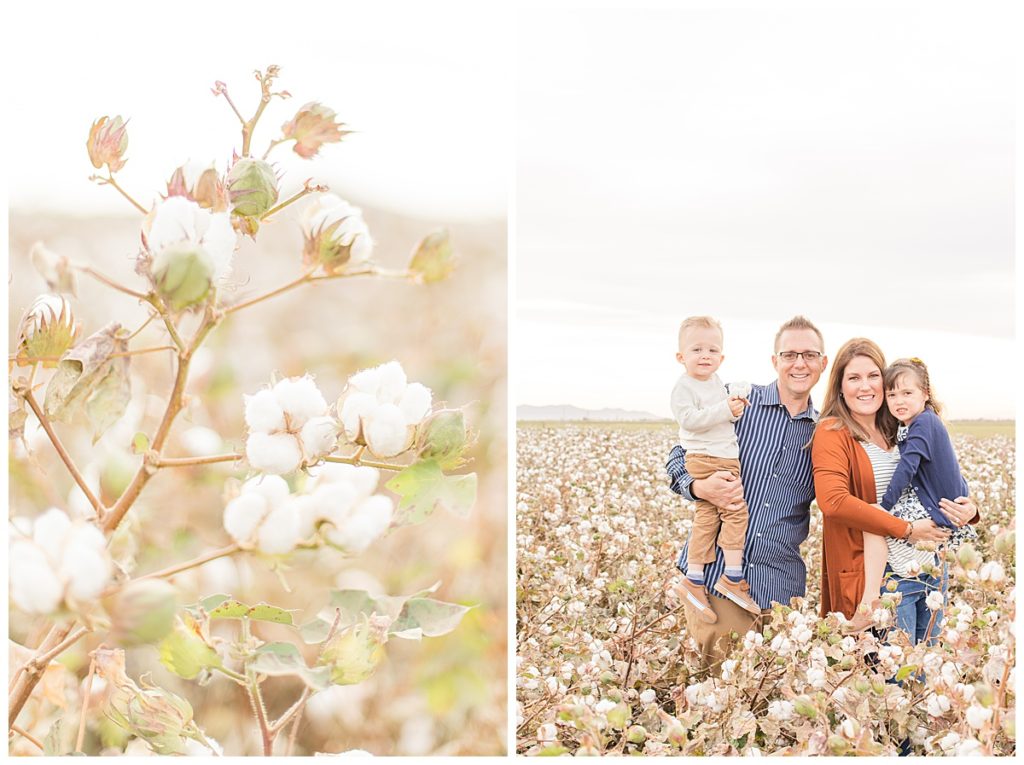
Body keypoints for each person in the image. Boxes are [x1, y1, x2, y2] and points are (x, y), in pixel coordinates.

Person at [667, 315, 827, 671]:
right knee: (718, 695)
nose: (799, 363)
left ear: (822, 363)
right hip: (715, 580)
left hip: (780, 586)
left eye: (809, 355)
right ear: (775, 361)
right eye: (789, 355)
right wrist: (697, 486)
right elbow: (681, 451)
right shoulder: (739, 402)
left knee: (767, 704)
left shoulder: (825, 432)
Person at [810, 339, 978, 643]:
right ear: (839, 386)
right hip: (884, 580)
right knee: (892, 678)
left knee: (926, 671)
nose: (865, 386)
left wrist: (970, 510)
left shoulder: (899, 426)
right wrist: (906, 529)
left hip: (930, 569)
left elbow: (943, 472)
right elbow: (833, 501)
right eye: (854, 378)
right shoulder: (832, 432)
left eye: (873, 376)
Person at [670, 316, 758, 622]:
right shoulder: (685, 387)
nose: (705, 355)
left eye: (712, 350)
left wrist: (732, 409)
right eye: (696, 350)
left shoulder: (715, 383)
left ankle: (694, 579)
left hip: (717, 457)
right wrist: (725, 410)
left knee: (707, 515)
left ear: (722, 357)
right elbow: (690, 421)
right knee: (735, 511)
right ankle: (731, 577)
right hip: (710, 459)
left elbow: (718, 420)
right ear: (681, 357)